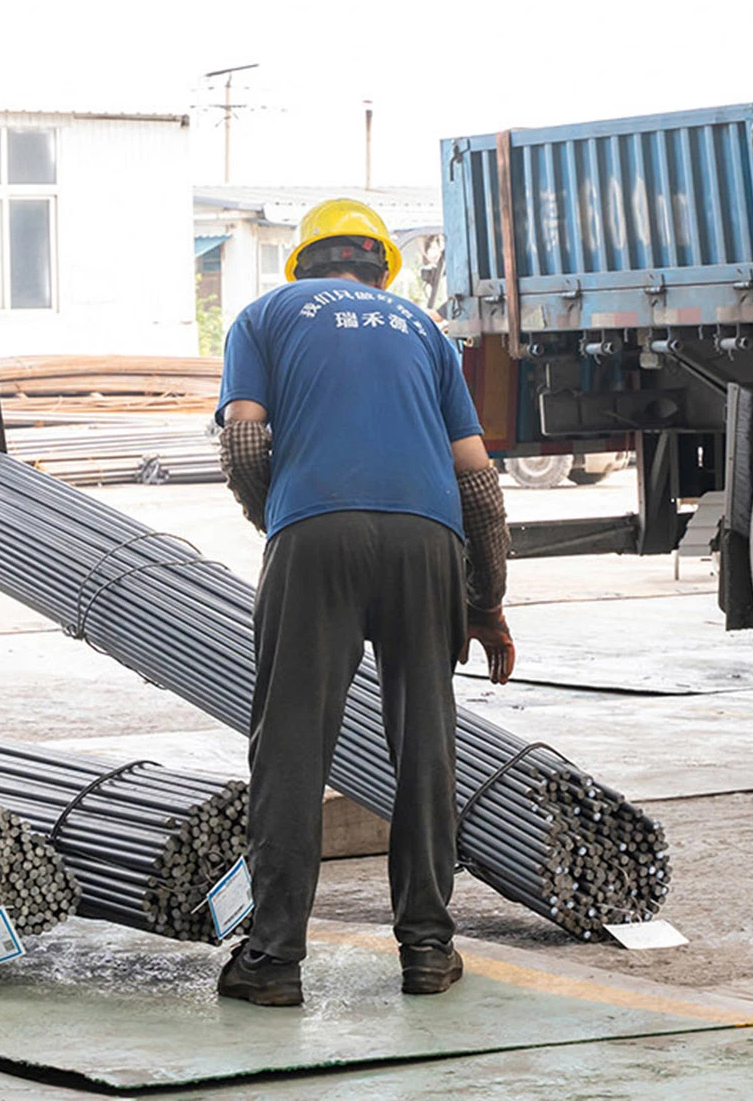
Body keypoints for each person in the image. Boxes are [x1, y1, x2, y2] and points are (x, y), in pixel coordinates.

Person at [213, 198, 515, 1007]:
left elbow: (244, 438)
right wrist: (486, 601)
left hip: (316, 534)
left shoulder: (263, 315)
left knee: (292, 746)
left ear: (304, 264)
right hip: (430, 539)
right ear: (382, 267)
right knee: (425, 746)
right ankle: (427, 951)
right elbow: (479, 485)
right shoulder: (423, 330)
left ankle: (273, 961)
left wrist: (281, 519)